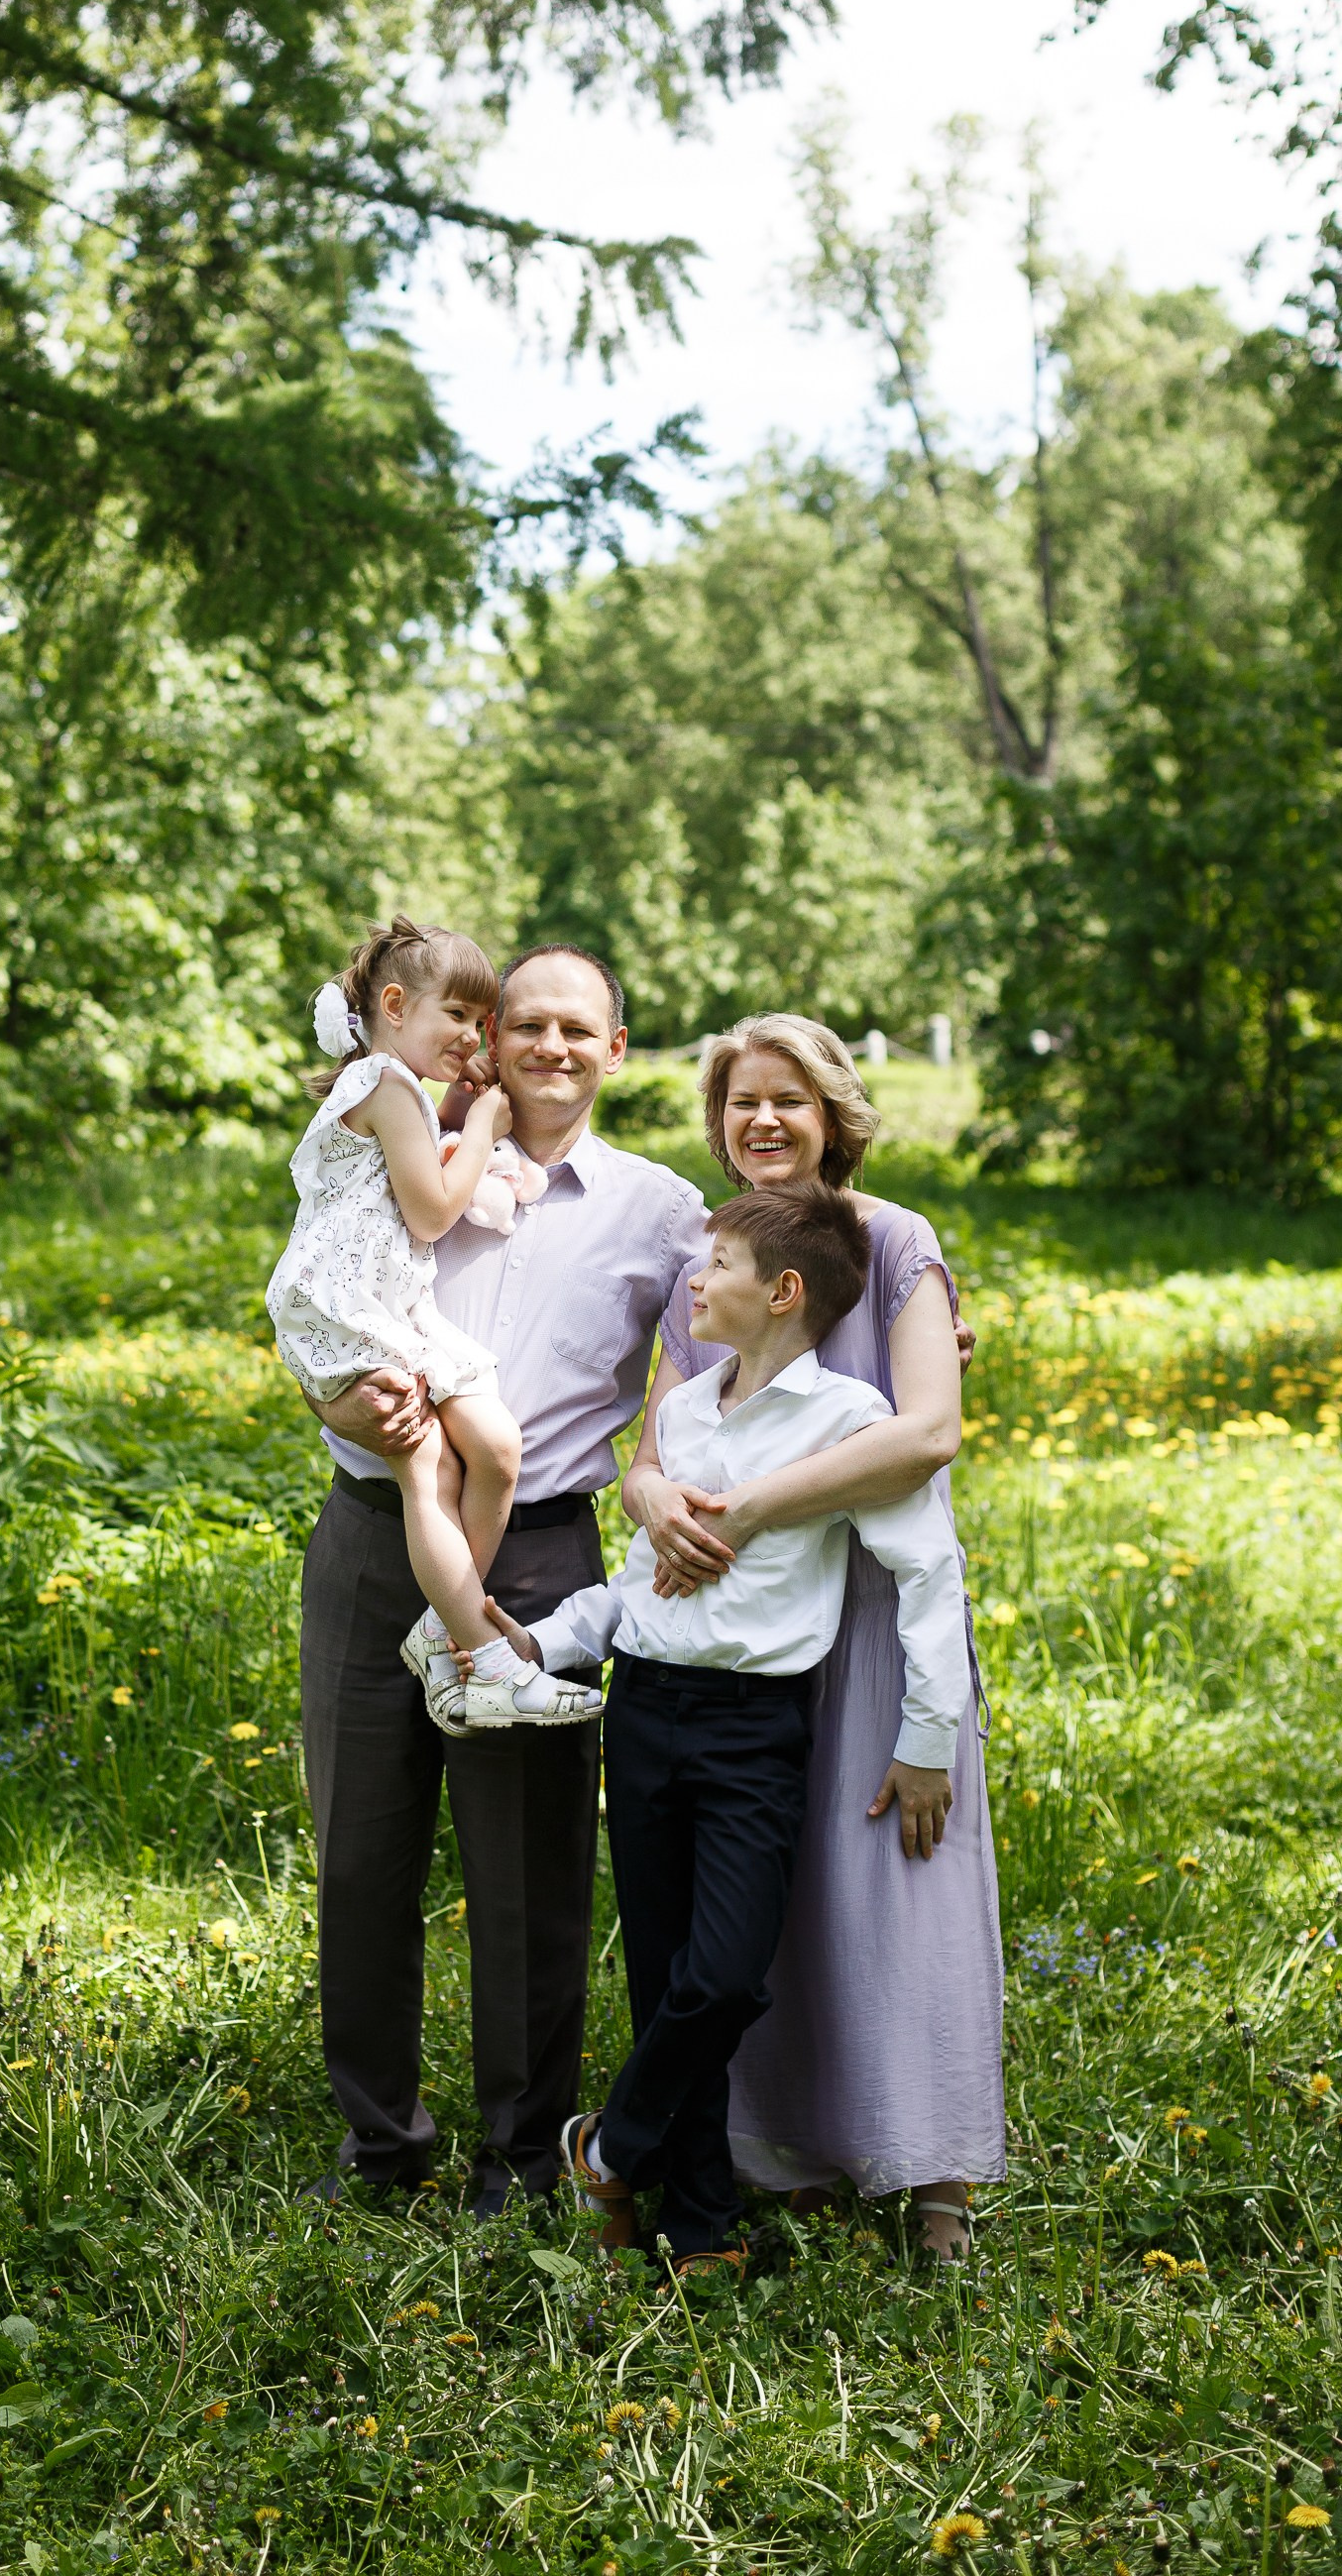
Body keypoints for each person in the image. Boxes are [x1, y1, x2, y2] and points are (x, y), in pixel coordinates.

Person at [488, 1181, 969, 2271]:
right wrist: (540, 1643)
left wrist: (925, 1736)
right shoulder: (682, 1416)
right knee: (663, 1978)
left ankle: (604, 2148)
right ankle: (696, 2229)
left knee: (726, 1977)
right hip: (645, 1711)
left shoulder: (848, 1425)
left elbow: (926, 1578)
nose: (691, 1282)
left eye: (711, 1267)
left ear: (782, 1292)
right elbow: (635, 1589)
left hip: (754, 1732)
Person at [295, 944, 709, 2213]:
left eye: (577, 1029)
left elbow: (773, 1301)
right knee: (362, 1857)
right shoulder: (407, 1149)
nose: (548, 1047)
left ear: (616, 1050)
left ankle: (520, 2158)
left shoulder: (658, 1209)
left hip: (540, 1557)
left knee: (526, 1875)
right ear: (489, 1038)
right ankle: (381, 2149)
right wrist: (326, 1393)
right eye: (525, 1023)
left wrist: (921, 1299)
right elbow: (318, 1290)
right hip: (373, 1532)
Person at [625, 1013, 1001, 2262]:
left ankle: (928, 2166)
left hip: (875, 1618)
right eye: (740, 1101)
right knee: (775, 1901)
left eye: (788, 1098)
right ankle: (781, 2143)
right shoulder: (717, 1258)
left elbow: (925, 1434)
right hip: (742, 1630)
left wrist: (745, 1510)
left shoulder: (892, 1241)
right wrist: (655, 1505)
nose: (763, 1121)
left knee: (898, 1868)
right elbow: (655, 1451)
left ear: (834, 1111)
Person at [267, 916, 598, 1733]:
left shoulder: (396, 1088)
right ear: (393, 1004)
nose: (471, 1037)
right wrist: (483, 1126)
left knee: (496, 1448)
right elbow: (433, 1208)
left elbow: (421, 1156)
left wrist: (456, 1109)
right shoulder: (381, 1084)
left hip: (388, 1301)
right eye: (459, 1015)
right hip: (354, 1306)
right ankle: (481, 1654)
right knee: (429, 1466)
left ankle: (441, 1632)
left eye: (479, 1022)